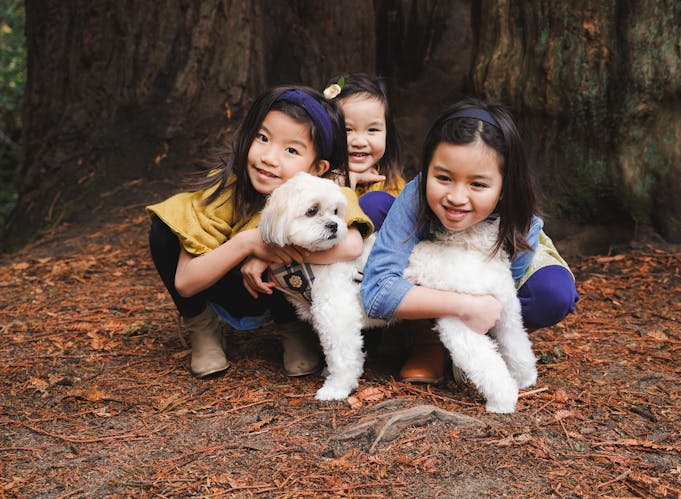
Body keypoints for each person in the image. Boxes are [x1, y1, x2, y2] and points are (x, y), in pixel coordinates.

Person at [148, 85, 374, 379]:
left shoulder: (328, 194)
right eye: (262, 137)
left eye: (291, 150)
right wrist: (250, 243)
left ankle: (291, 329)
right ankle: (202, 329)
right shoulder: (224, 192)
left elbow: (353, 245)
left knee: (294, 236)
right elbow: (186, 283)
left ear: (318, 167)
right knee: (165, 228)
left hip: (284, 294)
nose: (269, 157)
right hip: (228, 287)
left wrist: (269, 255)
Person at [361, 97, 578, 384]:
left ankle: (477, 351)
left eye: (477, 184)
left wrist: (476, 327)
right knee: (374, 206)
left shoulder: (521, 221)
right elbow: (377, 292)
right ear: (427, 170)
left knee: (553, 291)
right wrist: (463, 306)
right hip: (439, 272)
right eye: (444, 178)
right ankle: (427, 344)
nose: (457, 197)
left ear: (504, 186)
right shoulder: (415, 197)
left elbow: (500, 297)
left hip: (486, 288)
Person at [323, 72, 406, 230]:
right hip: (332, 251)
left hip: (378, 250)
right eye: (347, 130)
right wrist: (349, 181)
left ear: (387, 133)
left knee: (374, 203)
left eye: (372, 130)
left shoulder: (391, 184)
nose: (360, 142)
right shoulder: (317, 178)